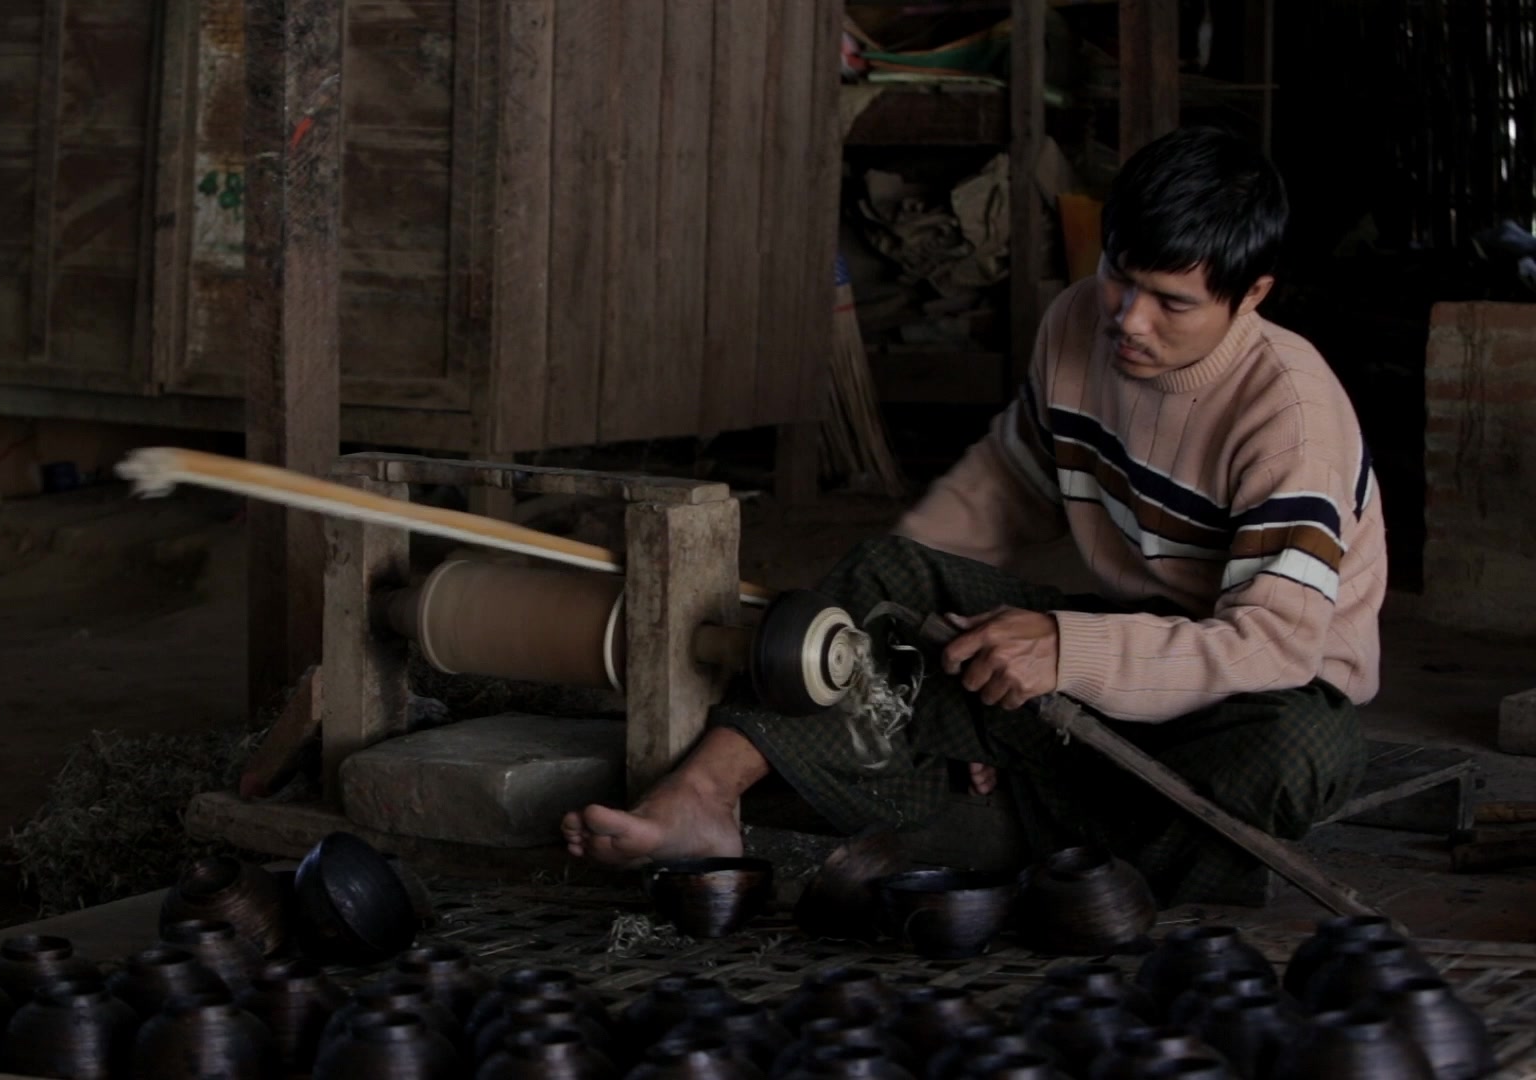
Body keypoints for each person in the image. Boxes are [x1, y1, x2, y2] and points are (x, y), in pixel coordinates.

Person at [560, 126, 1386, 906]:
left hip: (1267, 684)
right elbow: (1016, 489)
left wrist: (1068, 652)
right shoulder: (1074, 326)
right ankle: (702, 797)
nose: (1127, 319)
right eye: (1120, 276)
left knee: (1291, 761)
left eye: (1170, 303)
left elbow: (1274, 645)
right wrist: (912, 619)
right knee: (890, 579)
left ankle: (1035, 829)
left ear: (1252, 296)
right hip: (1141, 635)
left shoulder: (1290, 422)